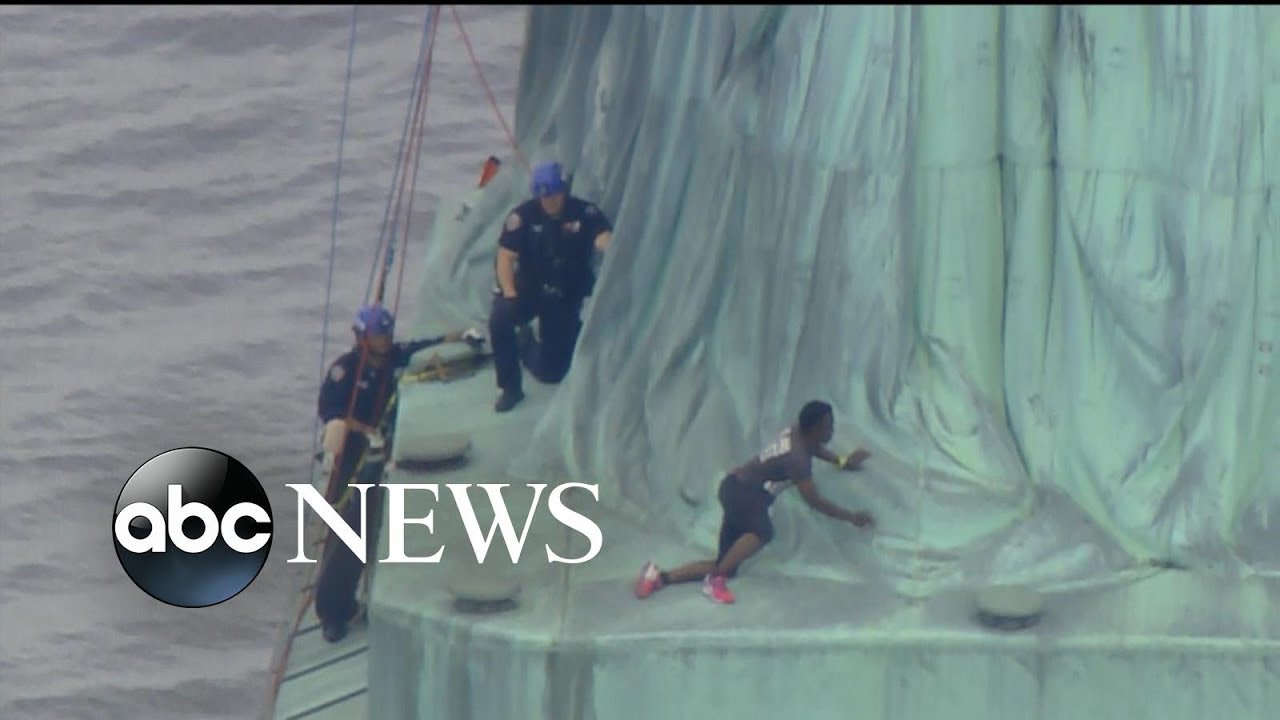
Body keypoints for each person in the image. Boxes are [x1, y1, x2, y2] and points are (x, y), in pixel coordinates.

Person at [313, 303, 475, 642]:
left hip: (380, 451)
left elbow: (422, 346)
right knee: (346, 527)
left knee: (376, 525)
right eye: (378, 336)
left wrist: (459, 336)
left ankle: (368, 576)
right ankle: (334, 611)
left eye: (386, 335)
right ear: (362, 338)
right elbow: (330, 411)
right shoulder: (346, 371)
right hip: (352, 457)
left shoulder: (393, 360)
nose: (385, 341)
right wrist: (364, 429)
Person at [633, 400, 875, 605]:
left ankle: (659, 577)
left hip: (733, 487)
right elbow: (814, 501)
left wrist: (843, 461)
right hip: (746, 494)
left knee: (727, 562)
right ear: (814, 428)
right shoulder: (797, 459)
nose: (832, 430)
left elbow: (817, 449)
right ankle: (714, 581)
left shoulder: (797, 434)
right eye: (828, 426)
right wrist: (851, 517)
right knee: (762, 532)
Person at [488, 160, 613, 412]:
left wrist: (606, 244)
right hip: (530, 289)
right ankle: (510, 388)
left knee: (553, 372)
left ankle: (527, 345)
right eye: (544, 196)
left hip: (565, 295)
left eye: (554, 195)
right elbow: (505, 258)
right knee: (500, 317)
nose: (549, 202)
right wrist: (510, 294)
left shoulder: (583, 212)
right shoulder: (523, 216)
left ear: (563, 190)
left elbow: (602, 237)